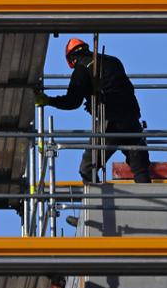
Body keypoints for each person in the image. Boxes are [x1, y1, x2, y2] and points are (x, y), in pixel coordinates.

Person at [35, 38, 152, 184]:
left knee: (87, 168)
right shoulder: (113, 61)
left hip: (110, 121)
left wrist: (48, 101)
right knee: (140, 167)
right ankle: (147, 196)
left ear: (71, 60)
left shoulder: (82, 68)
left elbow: (73, 101)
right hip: (132, 119)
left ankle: (98, 201)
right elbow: (126, 88)